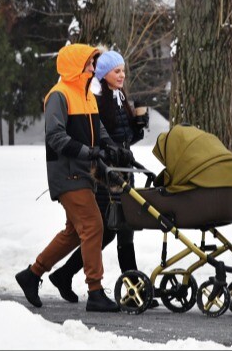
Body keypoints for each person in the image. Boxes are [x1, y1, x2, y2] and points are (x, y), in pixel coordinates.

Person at [15, 43, 132, 312]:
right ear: (77, 66)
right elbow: (55, 137)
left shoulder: (86, 94)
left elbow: (97, 127)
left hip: (83, 172)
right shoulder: (59, 95)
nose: (94, 68)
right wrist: (87, 152)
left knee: (73, 233)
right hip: (66, 172)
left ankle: (32, 274)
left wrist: (110, 146)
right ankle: (95, 291)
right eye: (90, 63)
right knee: (93, 226)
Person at [46, 49, 158, 307]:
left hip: (123, 168)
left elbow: (124, 138)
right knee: (108, 229)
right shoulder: (96, 98)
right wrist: (109, 152)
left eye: (123, 71)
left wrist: (138, 126)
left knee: (119, 228)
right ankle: (128, 287)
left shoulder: (118, 97)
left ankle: (70, 275)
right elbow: (99, 136)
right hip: (105, 173)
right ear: (104, 74)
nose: (122, 75)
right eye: (116, 71)